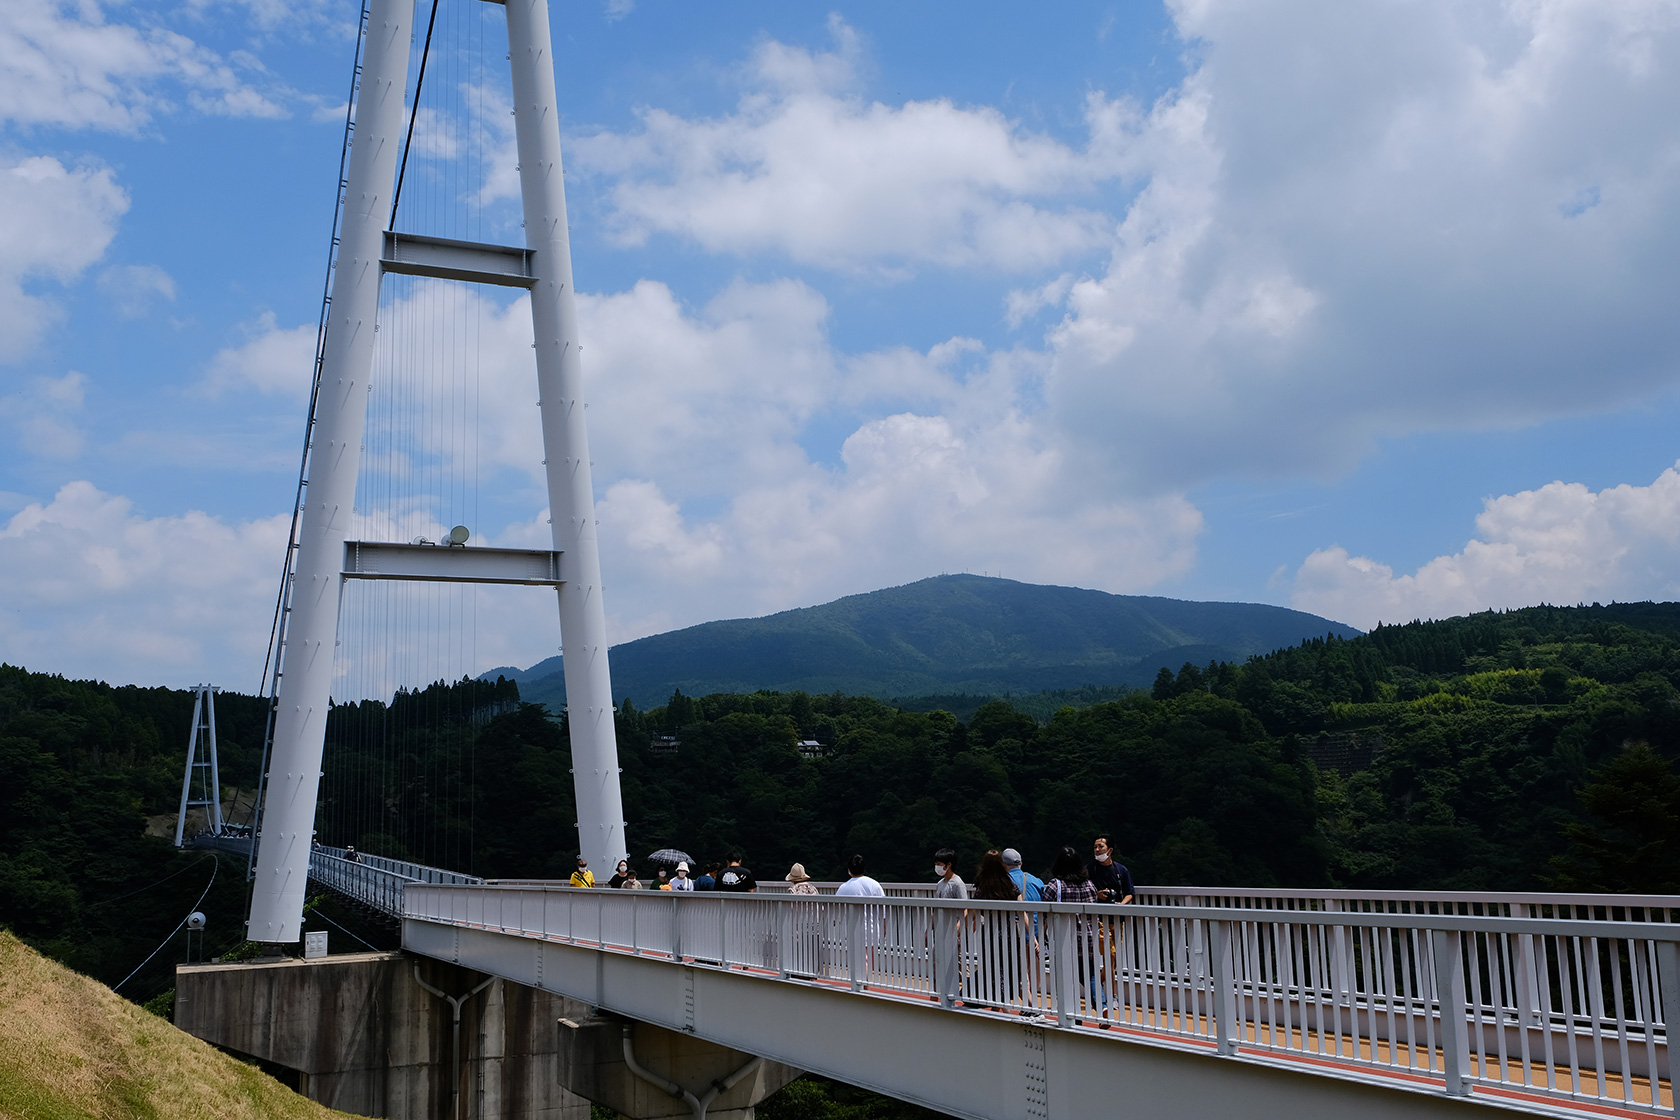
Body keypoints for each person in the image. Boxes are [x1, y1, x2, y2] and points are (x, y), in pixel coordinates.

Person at [1045, 846, 1106, 1021]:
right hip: (1088, 937)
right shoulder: (1089, 885)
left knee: (1068, 977)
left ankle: (1074, 1016)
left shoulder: (1055, 885)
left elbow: (1043, 912)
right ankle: (1102, 1006)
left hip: (1065, 940)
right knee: (1092, 974)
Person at [1087, 836, 1134, 904]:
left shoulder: (1121, 870)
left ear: (1110, 850)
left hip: (1117, 911)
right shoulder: (1089, 869)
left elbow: (1129, 893)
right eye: (1095, 847)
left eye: (1101, 846)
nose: (1097, 850)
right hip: (1096, 911)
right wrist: (1096, 895)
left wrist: (1121, 905)